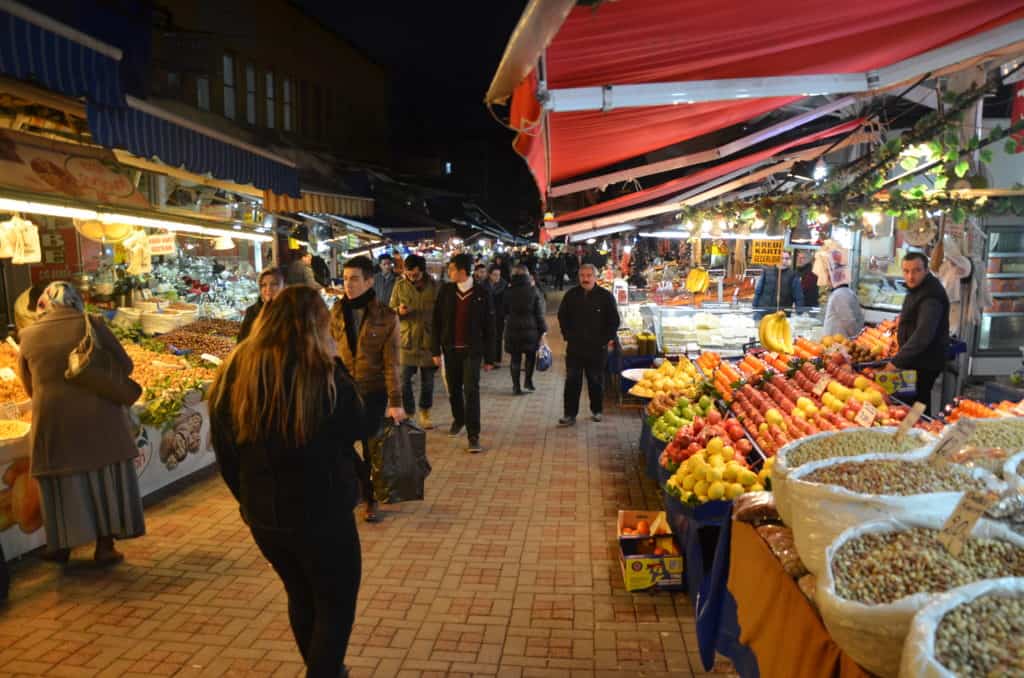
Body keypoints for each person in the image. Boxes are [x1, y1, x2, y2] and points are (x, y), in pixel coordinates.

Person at [209, 286, 365, 678]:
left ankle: (324, 668)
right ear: (317, 325)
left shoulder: (236, 368)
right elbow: (359, 426)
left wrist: (246, 500)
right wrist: (340, 365)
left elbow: (225, 450)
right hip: (323, 512)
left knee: (301, 594)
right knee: (334, 603)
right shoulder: (323, 372)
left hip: (266, 516)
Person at [17, 282, 145, 565]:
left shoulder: (27, 335)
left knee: (59, 483)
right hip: (99, 419)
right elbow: (124, 365)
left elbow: (27, 385)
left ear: (44, 304)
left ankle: (60, 546)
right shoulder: (92, 323)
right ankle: (105, 547)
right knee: (102, 480)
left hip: (52, 421)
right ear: (74, 299)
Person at [330, 256, 404, 522]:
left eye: (354, 279)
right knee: (339, 444)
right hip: (343, 391)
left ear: (369, 281)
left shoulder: (386, 316)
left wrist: (396, 401)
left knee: (372, 448)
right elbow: (329, 351)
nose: (348, 284)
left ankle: (371, 499)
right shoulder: (336, 312)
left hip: (373, 391)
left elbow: (392, 362)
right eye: (345, 279)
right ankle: (360, 487)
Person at [432, 253, 496, 453]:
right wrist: (435, 350)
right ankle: (459, 418)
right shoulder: (446, 291)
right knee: (453, 389)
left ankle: (473, 434)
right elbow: (436, 322)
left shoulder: (482, 293)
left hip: (472, 350)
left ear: (461, 271)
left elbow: (490, 327)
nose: (448, 272)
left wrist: (490, 357)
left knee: (471, 390)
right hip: (450, 350)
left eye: (450, 269)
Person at [886, 252, 950, 415]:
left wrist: (896, 362)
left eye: (916, 270)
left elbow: (923, 334)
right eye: (906, 271)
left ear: (926, 270)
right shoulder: (918, 289)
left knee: (915, 404)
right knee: (909, 402)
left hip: (923, 363)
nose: (910, 276)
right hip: (914, 361)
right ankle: (913, 432)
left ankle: (917, 434)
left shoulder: (931, 296)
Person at [557, 264, 619, 426]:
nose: (585, 278)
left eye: (589, 275)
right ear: (579, 277)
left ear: (595, 277)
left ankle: (597, 410)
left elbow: (614, 321)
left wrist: (606, 340)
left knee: (596, 380)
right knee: (572, 381)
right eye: (582, 275)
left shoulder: (606, 296)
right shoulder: (571, 295)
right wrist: (567, 335)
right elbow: (562, 316)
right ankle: (569, 414)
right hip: (575, 348)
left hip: (597, 349)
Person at [390, 254, 439, 429]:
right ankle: (409, 413)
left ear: (422, 271)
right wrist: (398, 311)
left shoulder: (435, 286)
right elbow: (390, 310)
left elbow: (441, 314)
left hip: (428, 341)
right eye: (408, 273)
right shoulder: (400, 286)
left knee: (428, 382)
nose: (411, 277)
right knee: (403, 380)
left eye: (415, 274)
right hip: (407, 340)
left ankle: (425, 412)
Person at [504, 265, 547, 395]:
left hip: (512, 328)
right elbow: (539, 313)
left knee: (515, 358)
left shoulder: (508, 291)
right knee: (530, 356)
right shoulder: (533, 291)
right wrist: (543, 329)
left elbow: (503, 310)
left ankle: (516, 387)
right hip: (531, 328)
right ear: (527, 275)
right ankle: (528, 382)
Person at [238, 267, 284, 341]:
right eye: (264, 285)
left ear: (282, 286)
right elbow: (242, 342)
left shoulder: (289, 312)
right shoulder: (252, 312)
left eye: (274, 284)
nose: (268, 288)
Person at [822, 270, 864, 339]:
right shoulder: (848, 292)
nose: (827, 282)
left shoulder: (839, 295)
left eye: (829, 278)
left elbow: (849, 322)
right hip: (837, 340)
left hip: (837, 341)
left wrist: (856, 337)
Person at [487, 264, 508, 366]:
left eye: (498, 275)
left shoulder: (504, 285)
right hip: (487, 315)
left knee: (498, 337)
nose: (497, 277)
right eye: (495, 275)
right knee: (488, 337)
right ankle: (488, 359)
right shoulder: (484, 285)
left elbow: (506, 302)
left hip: (499, 315)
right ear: (489, 275)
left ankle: (496, 359)